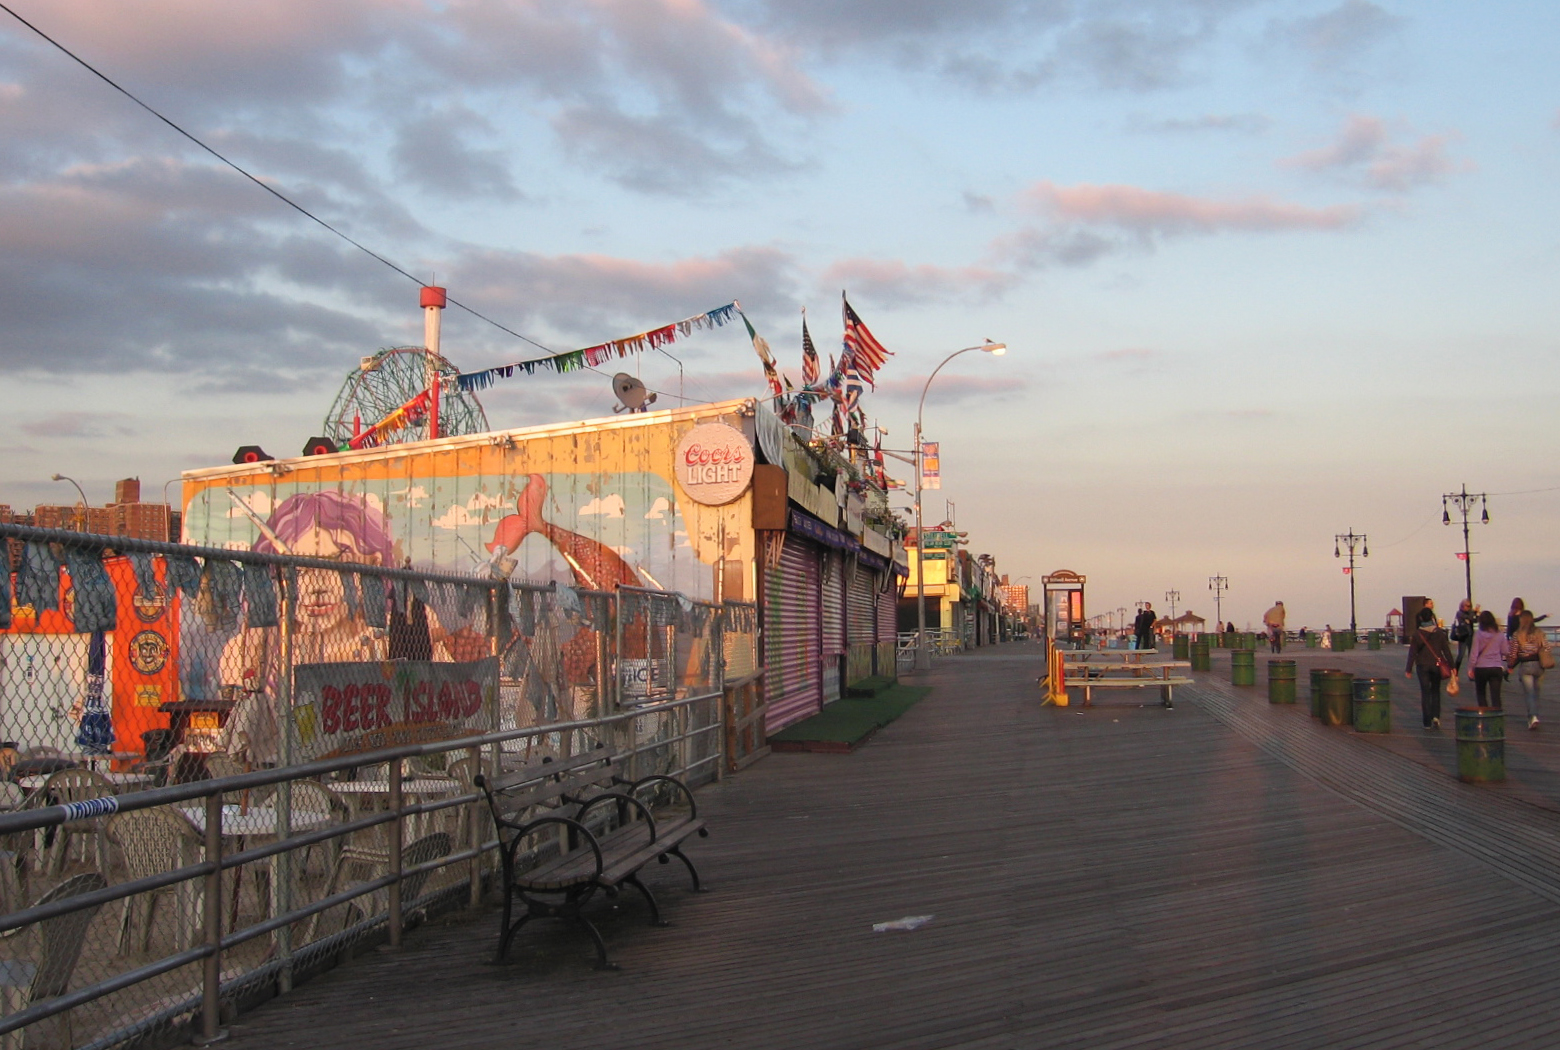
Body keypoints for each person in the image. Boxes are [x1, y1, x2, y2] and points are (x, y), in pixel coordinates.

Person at [1405, 608, 1455, 729]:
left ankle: (1426, 721)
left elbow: (1412, 653)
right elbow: (1446, 651)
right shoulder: (1439, 633)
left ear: (1421, 618)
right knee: (1435, 691)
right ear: (1432, 618)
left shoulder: (1417, 635)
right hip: (1437, 666)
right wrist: (1452, 666)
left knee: (1425, 693)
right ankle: (1436, 717)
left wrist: (1408, 669)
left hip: (1422, 666)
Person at [1509, 609, 1551, 730]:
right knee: (1536, 693)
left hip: (1526, 665)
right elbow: (1547, 648)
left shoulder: (1518, 634)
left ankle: (1532, 716)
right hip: (1539, 665)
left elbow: (1513, 654)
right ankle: (1535, 715)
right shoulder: (1540, 632)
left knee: (1529, 693)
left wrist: (1510, 666)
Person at [1467, 610, 1510, 709]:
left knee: (1481, 694)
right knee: (1496, 696)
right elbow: (1505, 651)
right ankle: (1497, 719)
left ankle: (1484, 717)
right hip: (1496, 666)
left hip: (1481, 667)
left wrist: (1470, 668)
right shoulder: (1499, 634)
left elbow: (1474, 653)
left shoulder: (1478, 634)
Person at [1450, 599, 1478, 672]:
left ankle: (1471, 671)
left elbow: (1475, 620)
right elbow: (1469, 618)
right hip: (1463, 636)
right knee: (1461, 655)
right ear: (1462, 606)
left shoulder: (1470, 612)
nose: (1468, 608)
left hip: (1470, 635)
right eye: (1467, 606)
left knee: (1471, 655)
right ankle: (1455, 671)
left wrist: (1475, 614)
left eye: (1469, 606)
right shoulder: (1459, 613)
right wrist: (1474, 613)